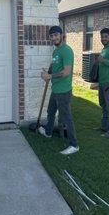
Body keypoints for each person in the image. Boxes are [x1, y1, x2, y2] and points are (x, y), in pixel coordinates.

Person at [39, 25, 79, 155]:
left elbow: (66, 72)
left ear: (61, 35)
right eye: (51, 36)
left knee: (67, 118)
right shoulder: (56, 51)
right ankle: (48, 132)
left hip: (63, 91)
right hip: (55, 89)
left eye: (56, 35)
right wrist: (48, 71)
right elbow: (54, 64)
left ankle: (74, 145)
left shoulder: (66, 50)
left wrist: (50, 76)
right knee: (50, 112)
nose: (54, 38)